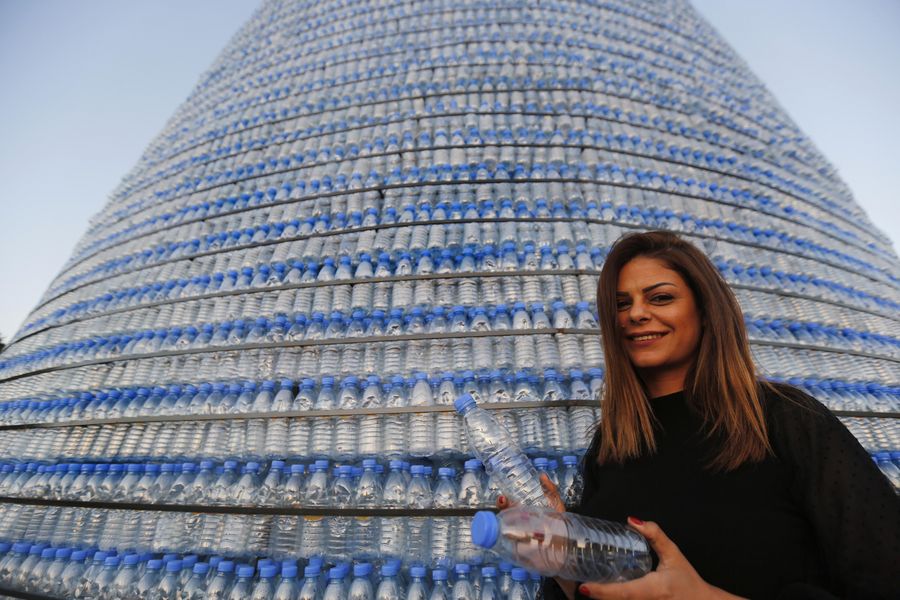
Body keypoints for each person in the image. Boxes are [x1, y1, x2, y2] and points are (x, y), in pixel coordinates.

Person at [500, 231, 899, 599]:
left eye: (660, 298)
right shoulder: (610, 447)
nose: (635, 314)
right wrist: (561, 556)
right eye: (621, 304)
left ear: (706, 310)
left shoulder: (786, 420)